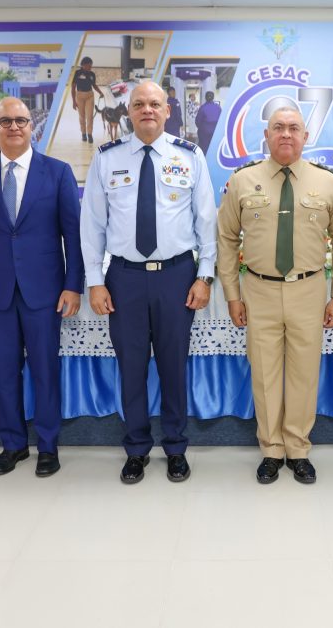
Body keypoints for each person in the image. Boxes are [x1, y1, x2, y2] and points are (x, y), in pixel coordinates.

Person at [81, 80, 216, 484]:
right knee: (132, 367)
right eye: (139, 104)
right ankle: (137, 448)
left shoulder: (190, 156)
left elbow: (206, 221)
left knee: (174, 367)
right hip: (124, 279)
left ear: (167, 109)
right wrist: (95, 281)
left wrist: (204, 276)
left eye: (155, 104)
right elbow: (92, 225)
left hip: (177, 276)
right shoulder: (107, 158)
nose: (147, 110)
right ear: (128, 110)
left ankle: (175, 447)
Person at [216, 106, 333, 484]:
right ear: (266, 135)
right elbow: (226, 239)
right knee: (264, 373)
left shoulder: (327, 183)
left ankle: (297, 447)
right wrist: (232, 294)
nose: (286, 134)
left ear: (306, 136)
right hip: (258, 290)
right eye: (278, 127)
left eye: (294, 128)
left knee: (303, 374)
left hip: (309, 290)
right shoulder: (242, 181)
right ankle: (271, 449)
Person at [0, 97, 83, 478]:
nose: (13, 127)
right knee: (5, 370)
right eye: (5, 121)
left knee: (45, 369)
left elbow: (72, 236)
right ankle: (12, 444)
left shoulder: (57, 172)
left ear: (33, 127)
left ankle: (47, 446)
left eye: (21, 121)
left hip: (44, 291)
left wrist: (73, 284)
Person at [71, 57, 104, 144]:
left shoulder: (92, 74)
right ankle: (83, 134)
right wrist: (74, 101)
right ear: (83, 65)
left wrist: (100, 92)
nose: (90, 67)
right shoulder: (77, 73)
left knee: (89, 116)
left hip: (89, 96)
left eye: (91, 66)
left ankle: (90, 134)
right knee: (82, 116)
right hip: (79, 96)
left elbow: (94, 85)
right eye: (89, 66)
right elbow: (73, 87)